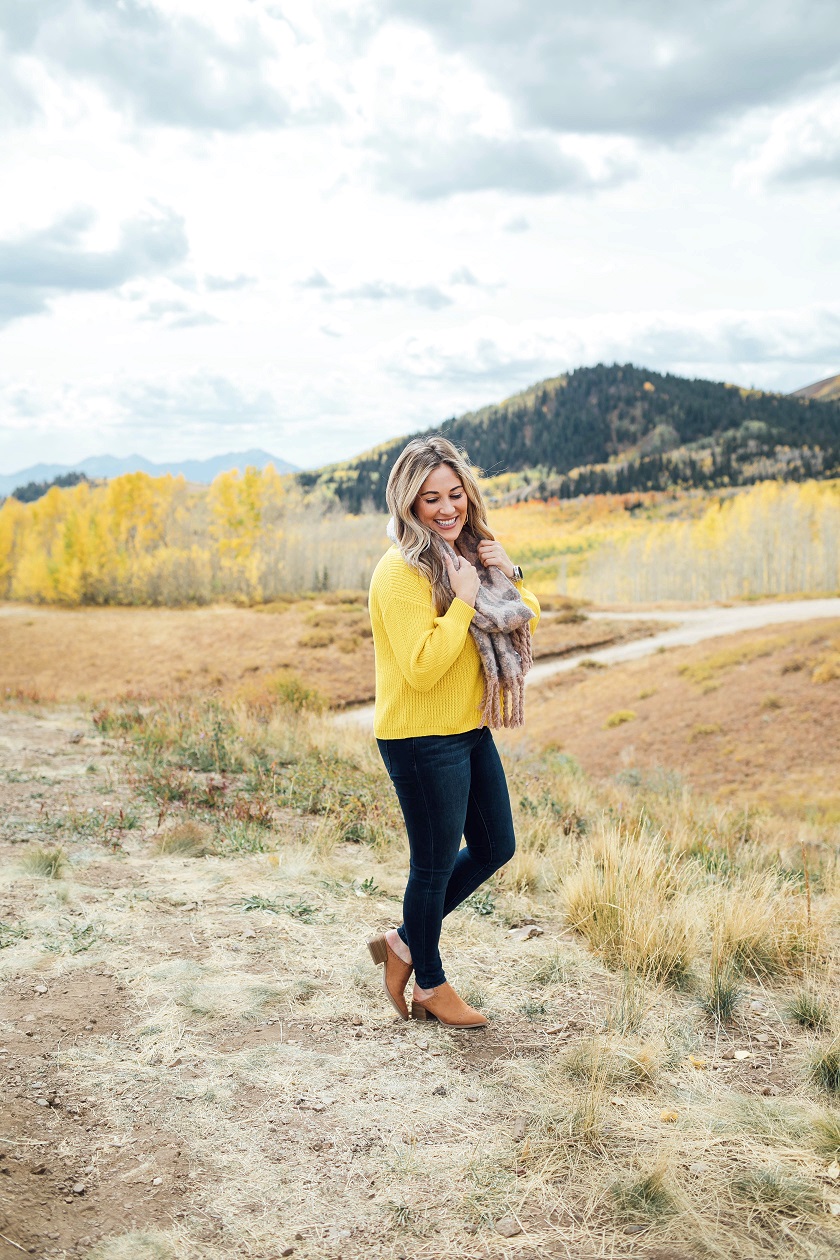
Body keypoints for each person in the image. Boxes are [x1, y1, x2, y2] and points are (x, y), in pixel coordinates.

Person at [366, 435, 540, 1028]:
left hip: (468, 727)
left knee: (497, 846)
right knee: (433, 865)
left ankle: (403, 943)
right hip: (420, 738)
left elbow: (525, 613)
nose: (446, 508)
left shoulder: (467, 558)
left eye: (454, 493)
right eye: (430, 497)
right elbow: (420, 668)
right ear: (408, 504)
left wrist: (504, 571)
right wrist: (462, 603)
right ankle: (431, 985)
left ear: (468, 493)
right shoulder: (401, 572)